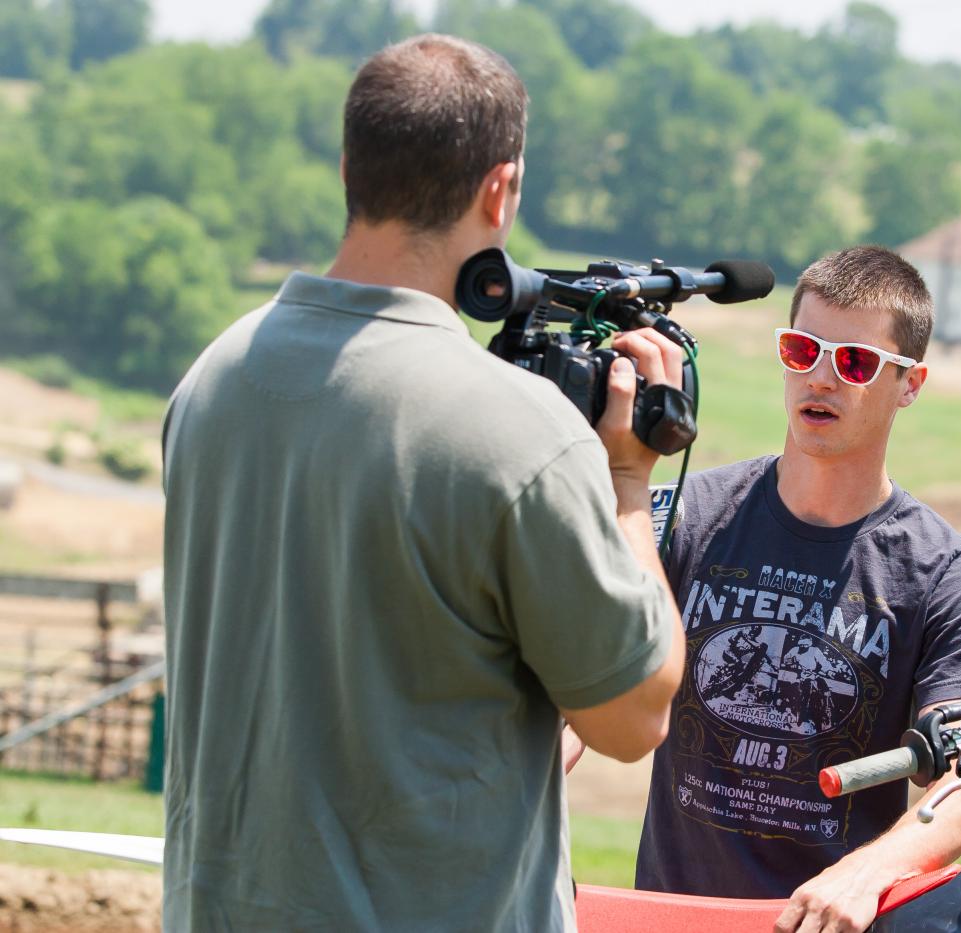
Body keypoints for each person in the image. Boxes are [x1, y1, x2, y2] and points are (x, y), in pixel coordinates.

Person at [161, 35, 684, 932]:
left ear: (348, 170)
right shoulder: (518, 430)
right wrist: (629, 483)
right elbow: (633, 718)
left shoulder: (212, 379)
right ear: (500, 188)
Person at [635, 246, 961, 933]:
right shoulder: (684, 514)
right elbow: (571, 706)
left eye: (855, 362)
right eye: (804, 349)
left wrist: (867, 871)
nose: (822, 378)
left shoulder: (944, 572)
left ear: (910, 383)